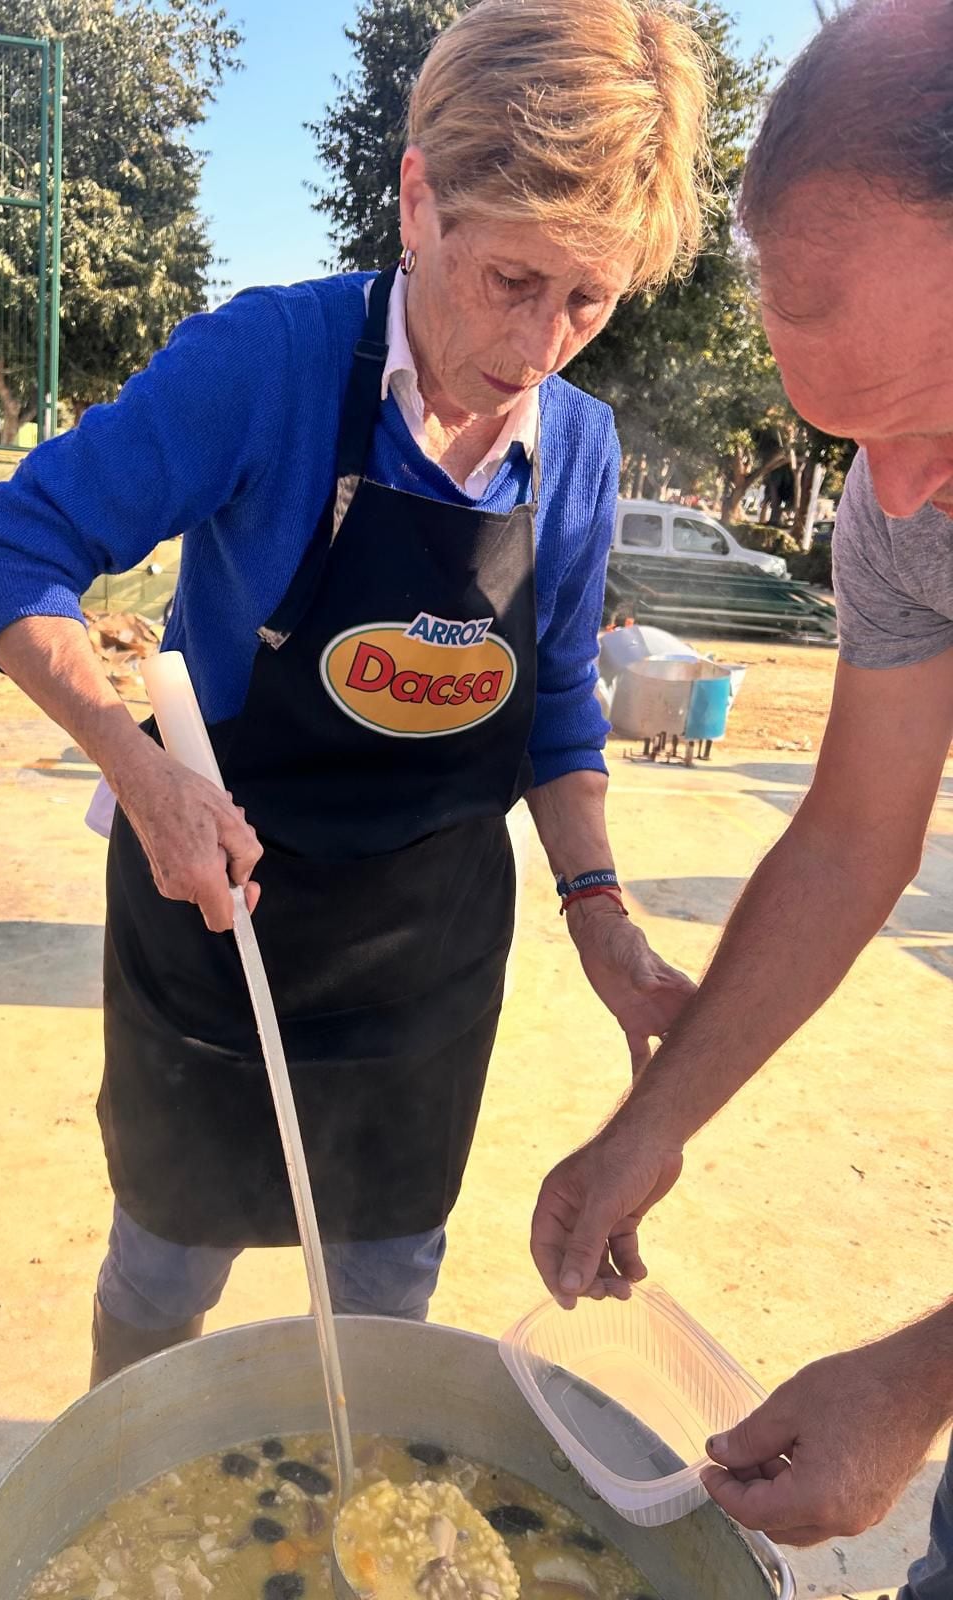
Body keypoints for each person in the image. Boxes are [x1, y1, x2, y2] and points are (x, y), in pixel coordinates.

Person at [0, 0, 709, 1388]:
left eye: (587, 301)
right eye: (511, 281)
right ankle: (128, 1479)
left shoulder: (578, 457)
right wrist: (140, 770)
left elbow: (552, 717)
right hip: (216, 912)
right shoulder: (269, 366)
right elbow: (8, 546)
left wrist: (599, 913)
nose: (540, 347)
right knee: (164, 1262)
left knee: (382, 1300)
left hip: (425, 954)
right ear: (419, 200)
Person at [529, 2, 953, 1592]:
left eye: (941, 419)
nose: (899, 500)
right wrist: (658, 1119)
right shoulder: (908, 520)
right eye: (851, 437)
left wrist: (921, 1378)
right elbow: (852, 837)